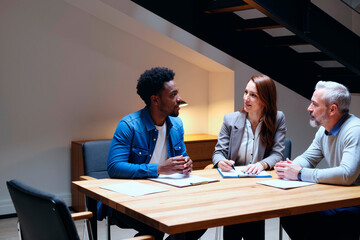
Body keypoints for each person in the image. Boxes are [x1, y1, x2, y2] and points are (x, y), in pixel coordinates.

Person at [106, 67, 205, 240]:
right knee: (155, 227)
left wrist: (186, 164)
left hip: (167, 194)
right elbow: (114, 167)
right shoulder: (129, 125)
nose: (179, 99)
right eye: (173, 95)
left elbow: (183, 156)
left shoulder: (177, 125)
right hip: (130, 200)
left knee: (199, 220)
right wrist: (158, 168)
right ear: (155, 100)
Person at [275, 81, 360, 240]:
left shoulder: (355, 130)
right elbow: (308, 157)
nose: (309, 108)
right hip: (338, 199)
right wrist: (289, 167)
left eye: (314, 104)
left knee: (322, 229)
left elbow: (347, 174)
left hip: (354, 204)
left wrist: (300, 173)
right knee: (290, 214)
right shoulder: (324, 130)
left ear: (332, 109)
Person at [212, 75, 287, 240]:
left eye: (253, 95)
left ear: (266, 99)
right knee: (233, 228)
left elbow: (277, 154)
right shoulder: (230, 119)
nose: (246, 98)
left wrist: (262, 164)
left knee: (253, 228)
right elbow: (218, 152)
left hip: (258, 185)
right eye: (246, 92)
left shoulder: (277, 118)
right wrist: (220, 161)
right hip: (233, 185)